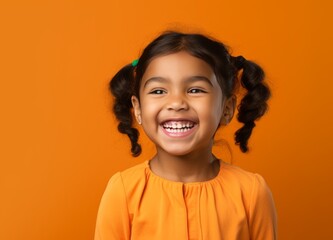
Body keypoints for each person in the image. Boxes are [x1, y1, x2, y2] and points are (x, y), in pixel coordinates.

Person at [95, 31, 277, 240]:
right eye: (158, 91)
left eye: (195, 90)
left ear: (226, 108)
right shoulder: (123, 192)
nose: (176, 103)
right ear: (138, 109)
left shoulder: (251, 193)